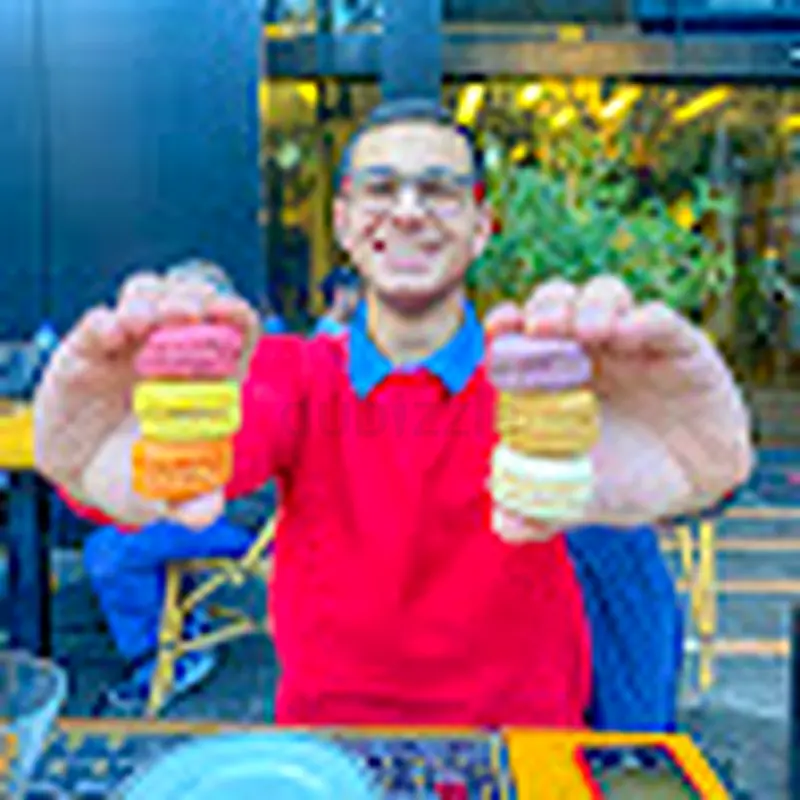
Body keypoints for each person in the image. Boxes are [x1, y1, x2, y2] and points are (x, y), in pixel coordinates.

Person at [34, 98, 752, 729]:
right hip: (333, 756)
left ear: (482, 226)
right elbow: (217, 442)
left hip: (528, 748)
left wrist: (700, 471)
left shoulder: (544, 382)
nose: (408, 210)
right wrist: (112, 458)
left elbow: (664, 483)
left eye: (439, 189)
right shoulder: (294, 376)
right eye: (381, 187)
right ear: (344, 223)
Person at [80, 261, 257, 713]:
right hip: (203, 507)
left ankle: (168, 660)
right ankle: (180, 620)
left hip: (238, 517)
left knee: (109, 551)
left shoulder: (249, 370)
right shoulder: (181, 372)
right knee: (111, 527)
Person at [312, 266, 361, 335]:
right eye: (354, 291)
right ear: (339, 294)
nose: (358, 298)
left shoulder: (346, 324)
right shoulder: (328, 331)